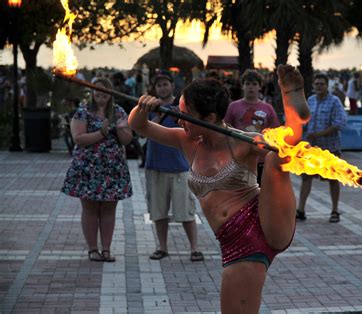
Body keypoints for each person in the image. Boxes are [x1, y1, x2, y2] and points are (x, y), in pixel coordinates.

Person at [129, 64, 310, 313]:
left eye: (186, 114)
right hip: (231, 240)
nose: (180, 120)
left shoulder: (242, 142)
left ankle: (294, 105)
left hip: (260, 228)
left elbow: (287, 145)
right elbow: (140, 127)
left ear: (211, 118)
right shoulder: (186, 140)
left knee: (276, 158)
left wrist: (271, 139)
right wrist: (142, 107)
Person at [61, 78, 133, 262]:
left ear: (111, 93)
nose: (101, 94)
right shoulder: (83, 111)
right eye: (97, 90)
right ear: (92, 92)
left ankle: (107, 249)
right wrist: (101, 133)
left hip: (112, 167)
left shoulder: (118, 112)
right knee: (90, 208)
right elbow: (78, 138)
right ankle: (93, 249)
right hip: (88, 167)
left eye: (105, 90)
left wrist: (122, 129)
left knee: (109, 209)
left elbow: (126, 140)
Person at [144, 70, 204, 261]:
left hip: (180, 166)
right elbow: (142, 129)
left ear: (172, 86)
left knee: (186, 210)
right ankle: (162, 247)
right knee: (158, 211)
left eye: (165, 84)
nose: (162, 87)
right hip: (156, 164)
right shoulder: (149, 108)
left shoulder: (182, 108)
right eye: (159, 85)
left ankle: (194, 248)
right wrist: (157, 114)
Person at [296, 73, 347, 222]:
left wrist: (318, 135)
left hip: (330, 149)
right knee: (306, 178)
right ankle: (301, 210)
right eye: (316, 84)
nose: (318, 86)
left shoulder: (334, 102)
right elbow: (303, 122)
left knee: (333, 179)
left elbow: (339, 123)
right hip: (312, 150)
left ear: (327, 86)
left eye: (321, 84)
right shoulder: (310, 101)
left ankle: (335, 211)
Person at [224, 69, 280, 185]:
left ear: (260, 87)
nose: (251, 87)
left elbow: (276, 134)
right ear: (242, 86)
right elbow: (225, 130)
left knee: (262, 197)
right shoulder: (233, 107)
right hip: (238, 161)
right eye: (247, 84)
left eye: (254, 84)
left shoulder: (268, 108)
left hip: (262, 161)